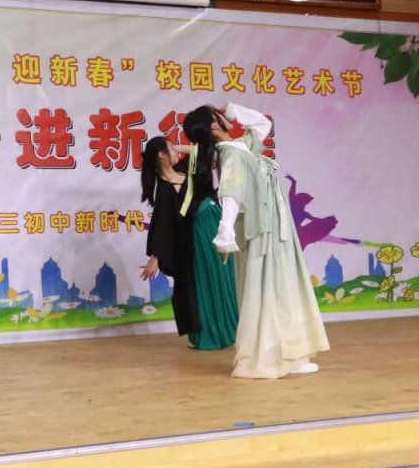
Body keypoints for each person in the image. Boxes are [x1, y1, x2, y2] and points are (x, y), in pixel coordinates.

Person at [183, 104, 329, 379]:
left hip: (274, 227)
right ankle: (263, 361)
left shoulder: (241, 146)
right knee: (266, 292)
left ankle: (292, 357)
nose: (225, 117)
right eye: (218, 115)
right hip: (260, 231)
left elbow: (263, 124)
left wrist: (231, 109)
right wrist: (225, 233)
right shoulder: (232, 154)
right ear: (213, 125)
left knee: (282, 289)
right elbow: (231, 194)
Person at [140, 136, 237, 350]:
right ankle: (211, 334)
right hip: (199, 238)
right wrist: (155, 258)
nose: (176, 150)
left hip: (216, 226)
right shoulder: (164, 189)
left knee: (224, 277)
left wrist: (175, 147)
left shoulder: (184, 169)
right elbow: (162, 225)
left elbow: (201, 151)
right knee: (206, 282)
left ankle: (231, 329)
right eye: (171, 148)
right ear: (161, 155)